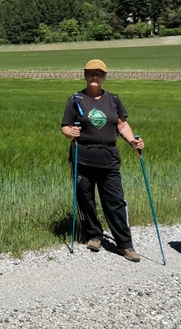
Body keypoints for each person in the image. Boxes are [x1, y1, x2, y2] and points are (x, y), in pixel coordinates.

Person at [61, 59, 144, 262]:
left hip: (109, 158)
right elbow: (65, 126)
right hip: (83, 158)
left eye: (99, 73)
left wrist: (132, 141)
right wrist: (70, 132)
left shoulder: (113, 100)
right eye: (91, 73)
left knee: (115, 202)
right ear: (85, 75)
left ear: (104, 76)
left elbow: (122, 125)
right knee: (85, 200)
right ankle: (94, 235)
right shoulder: (76, 99)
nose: (95, 76)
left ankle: (125, 244)